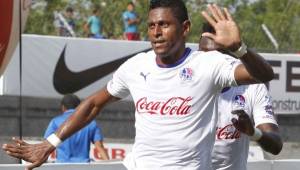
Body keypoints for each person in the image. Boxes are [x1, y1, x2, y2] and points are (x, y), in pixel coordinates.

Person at [2, 1, 275, 170]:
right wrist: (49, 143)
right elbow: (94, 103)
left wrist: (239, 48)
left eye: (165, 25)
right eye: (152, 25)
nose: (156, 32)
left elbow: (262, 75)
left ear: (185, 28)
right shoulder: (136, 67)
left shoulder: (208, 64)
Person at [199, 23, 282, 170]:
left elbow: (276, 145)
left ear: (231, 57)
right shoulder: (183, 82)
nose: (208, 61)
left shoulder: (252, 88)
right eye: (203, 53)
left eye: (216, 54)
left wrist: (253, 133)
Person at [44, 94, 109, 162]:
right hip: (83, 166)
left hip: (62, 166)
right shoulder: (91, 122)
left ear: (63, 107)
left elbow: (45, 146)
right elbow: (99, 146)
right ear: (80, 106)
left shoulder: (55, 122)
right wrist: (109, 165)